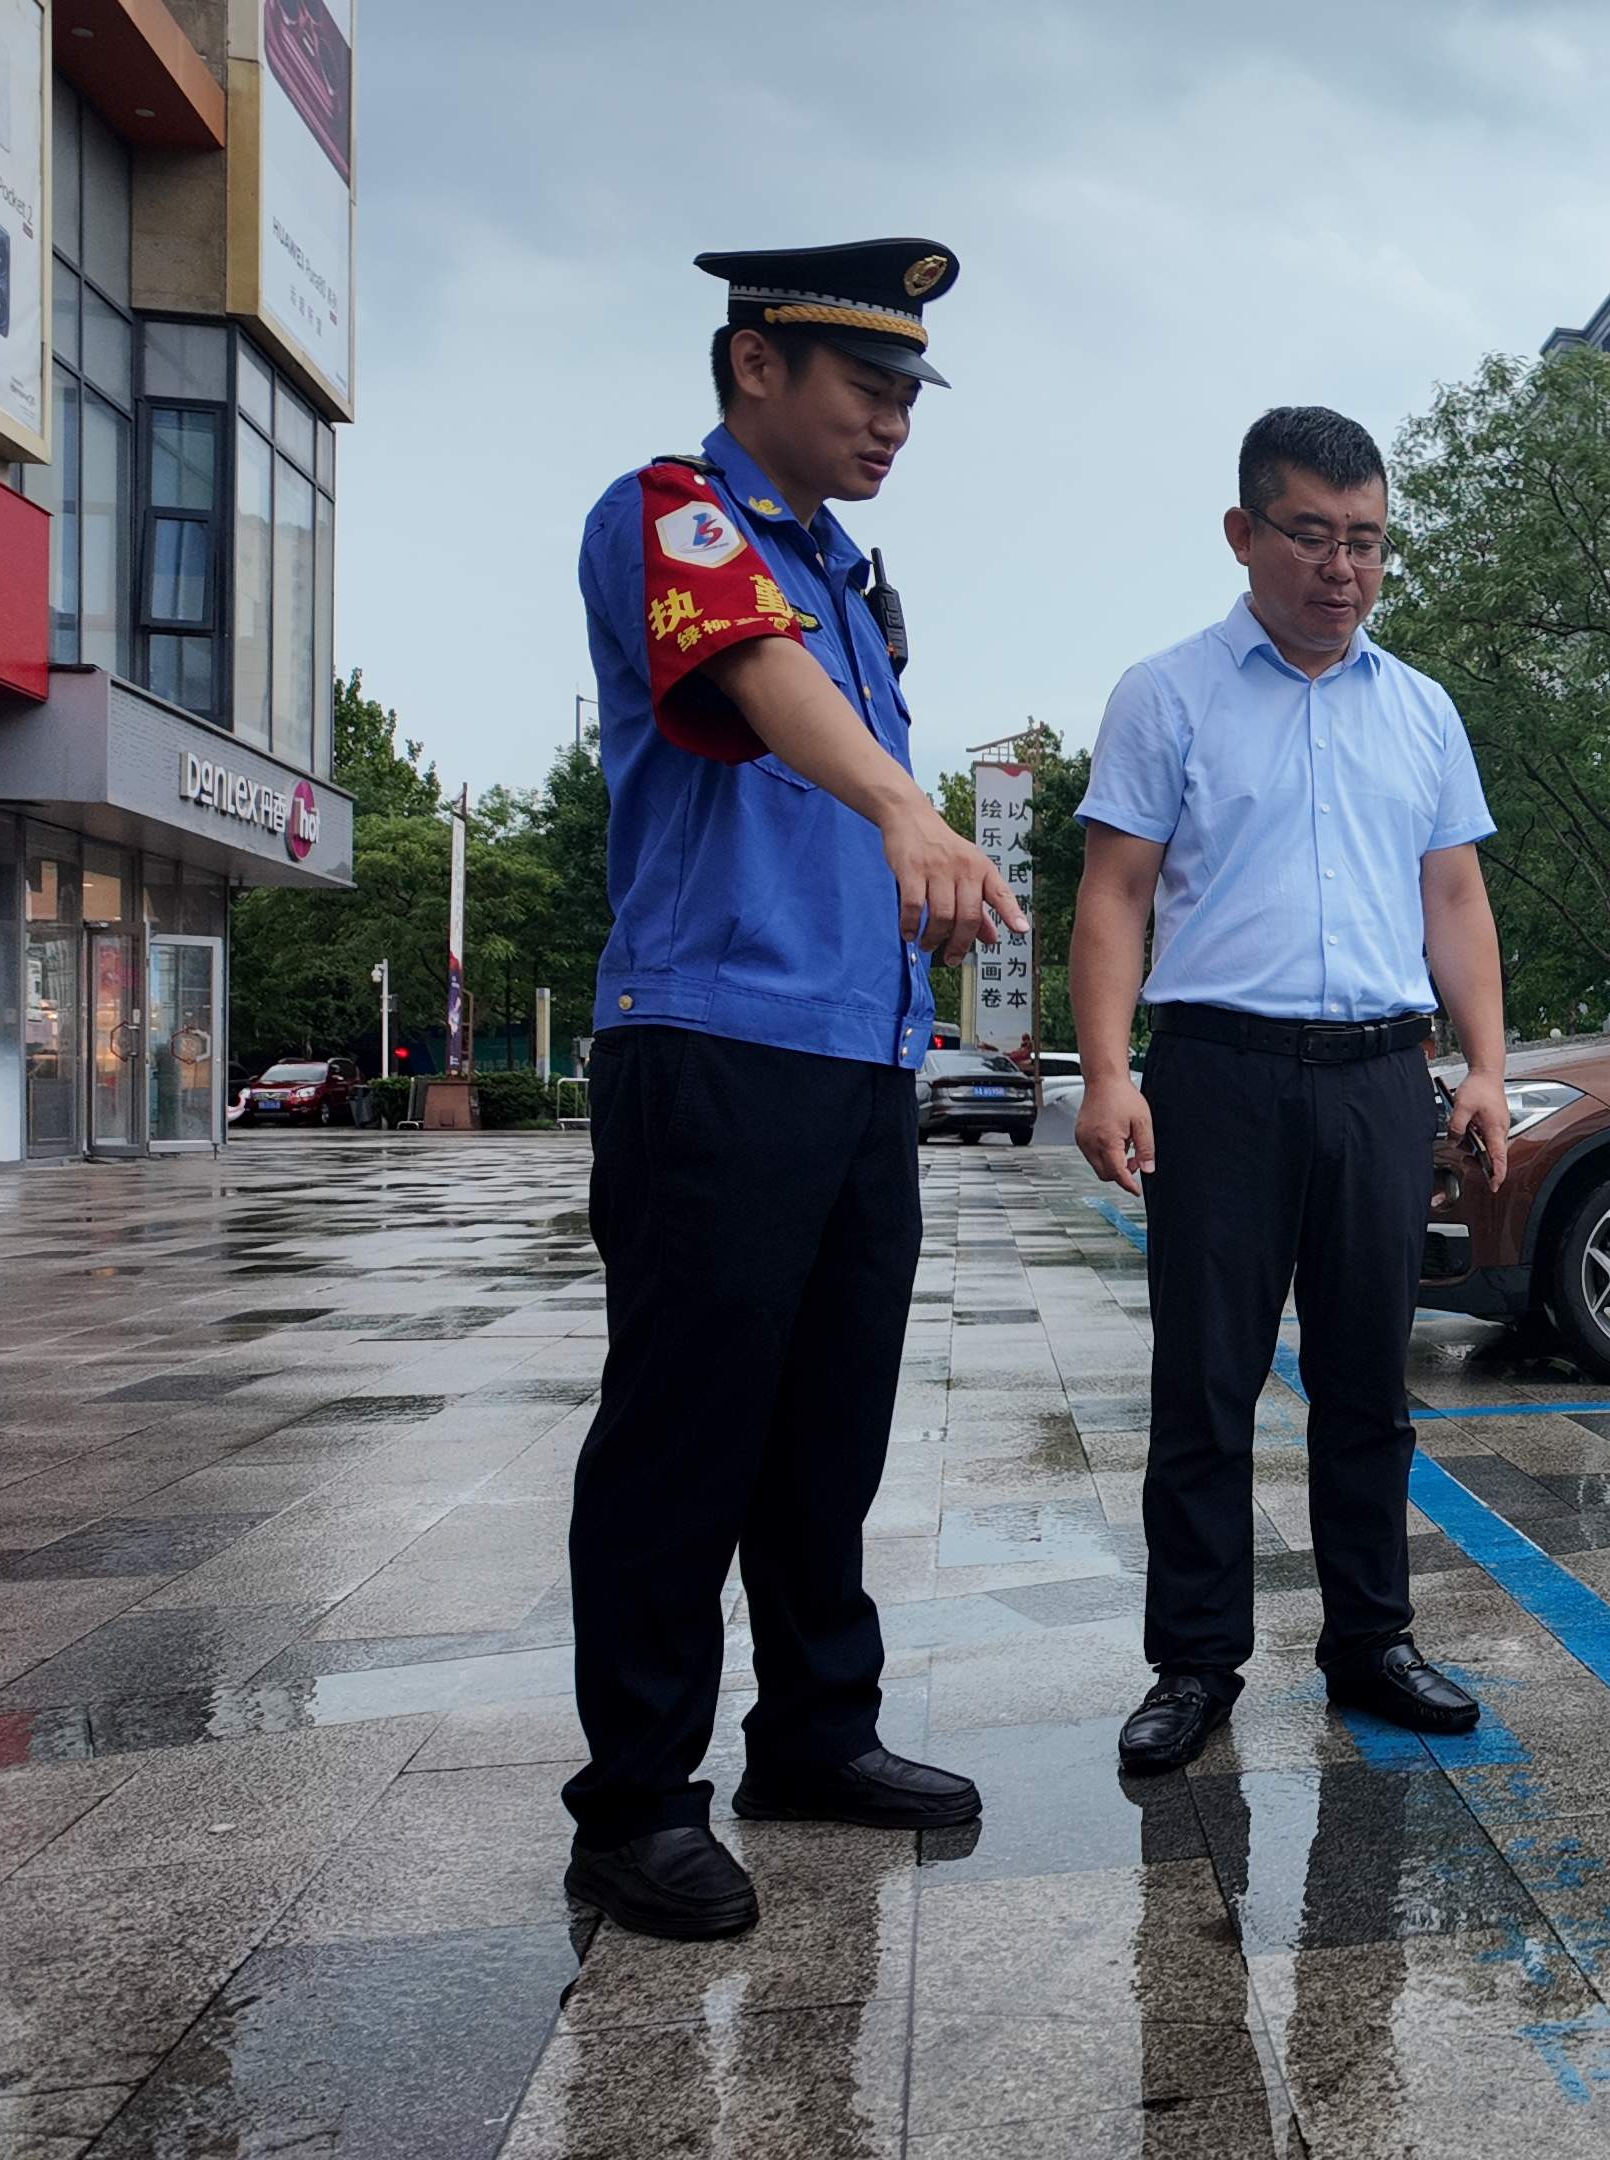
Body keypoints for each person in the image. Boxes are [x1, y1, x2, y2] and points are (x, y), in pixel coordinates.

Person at [556, 238, 1025, 1941]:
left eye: (909, 393)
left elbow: (830, 709)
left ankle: (817, 1736)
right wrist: (906, 810)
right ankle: (633, 1803)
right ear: (756, 365)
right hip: (713, 1041)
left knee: (828, 1430)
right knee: (689, 1433)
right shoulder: (675, 516)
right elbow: (759, 689)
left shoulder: (846, 571)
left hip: (851, 1061)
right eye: (863, 384)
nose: (893, 418)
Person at [1069, 405, 1513, 1775]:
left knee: (1371, 1378)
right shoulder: (1170, 693)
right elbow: (1115, 892)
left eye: (1368, 541)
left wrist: (1484, 1062)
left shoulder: (1421, 707)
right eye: (1314, 536)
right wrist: (1104, 1074)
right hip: (1220, 1073)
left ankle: (1370, 1641)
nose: (1343, 568)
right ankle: (1195, 1664)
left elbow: (1454, 895)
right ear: (1244, 533)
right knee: (1205, 1382)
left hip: (1381, 1078)